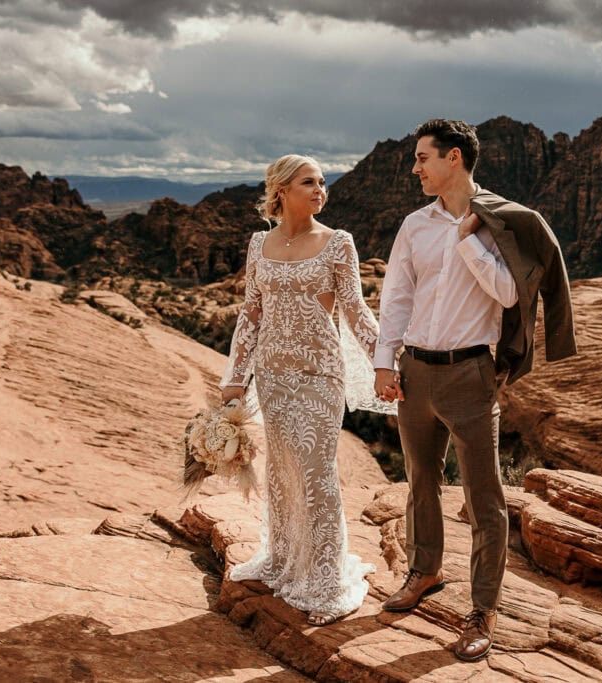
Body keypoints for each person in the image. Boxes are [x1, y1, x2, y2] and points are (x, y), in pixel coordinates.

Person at [373, 119, 576, 661]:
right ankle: (425, 571)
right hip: (415, 370)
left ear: (454, 157)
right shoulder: (414, 225)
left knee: (484, 498)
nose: (415, 168)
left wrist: (468, 242)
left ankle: (482, 611)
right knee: (420, 481)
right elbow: (396, 296)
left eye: (422, 158)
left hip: (470, 374)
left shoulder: (497, 223)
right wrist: (382, 363)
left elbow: (511, 294)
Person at [220, 154, 394, 626]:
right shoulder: (260, 244)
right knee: (283, 468)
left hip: (320, 372)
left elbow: (356, 310)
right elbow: (250, 313)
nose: (320, 190)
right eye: (308, 182)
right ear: (280, 191)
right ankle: (282, 559)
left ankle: (323, 578)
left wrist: (386, 362)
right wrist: (236, 376)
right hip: (274, 374)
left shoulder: (338, 243)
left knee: (315, 469)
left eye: (322, 182)